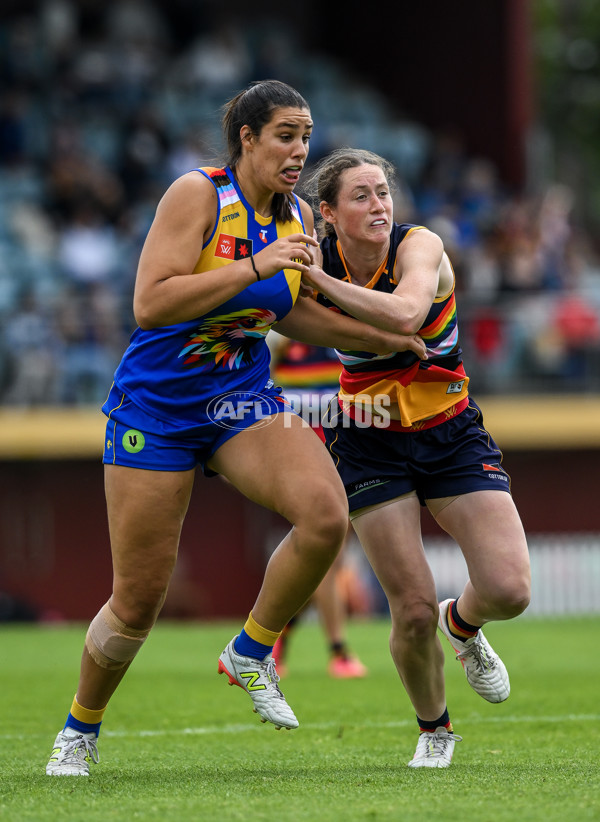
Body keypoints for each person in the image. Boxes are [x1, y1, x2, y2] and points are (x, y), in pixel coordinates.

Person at [45, 82, 426, 776]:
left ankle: (251, 650)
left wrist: (379, 335)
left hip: (240, 399)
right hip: (156, 409)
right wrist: (254, 265)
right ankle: (80, 728)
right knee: (137, 601)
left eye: (306, 135)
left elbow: (289, 313)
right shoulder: (198, 195)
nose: (300, 149)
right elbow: (150, 303)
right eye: (285, 134)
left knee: (324, 513)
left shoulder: (300, 216)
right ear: (246, 137)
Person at [300, 147, 531, 768]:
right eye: (361, 196)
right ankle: (435, 730)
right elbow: (275, 322)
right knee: (410, 609)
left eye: (383, 192)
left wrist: (315, 282)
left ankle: (463, 626)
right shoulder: (315, 252)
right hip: (369, 437)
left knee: (509, 590)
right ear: (327, 213)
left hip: (451, 431)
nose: (378, 205)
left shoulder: (418, 245)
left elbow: (407, 311)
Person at [267, 331, 368, 679]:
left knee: (326, 558)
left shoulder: (341, 334)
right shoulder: (278, 337)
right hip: (301, 461)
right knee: (329, 557)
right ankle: (339, 651)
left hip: (343, 455)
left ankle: (278, 633)